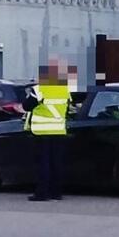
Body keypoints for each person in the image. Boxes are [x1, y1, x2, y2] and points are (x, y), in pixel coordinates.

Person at [22, 57, 70, 202]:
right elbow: (66, 110)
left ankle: (42, 193)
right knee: (57, 163)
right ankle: (56, 192)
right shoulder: (64, 90)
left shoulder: (40, 89)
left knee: (43, 164)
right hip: (59, 131)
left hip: (42, 132)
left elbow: (26, 106)